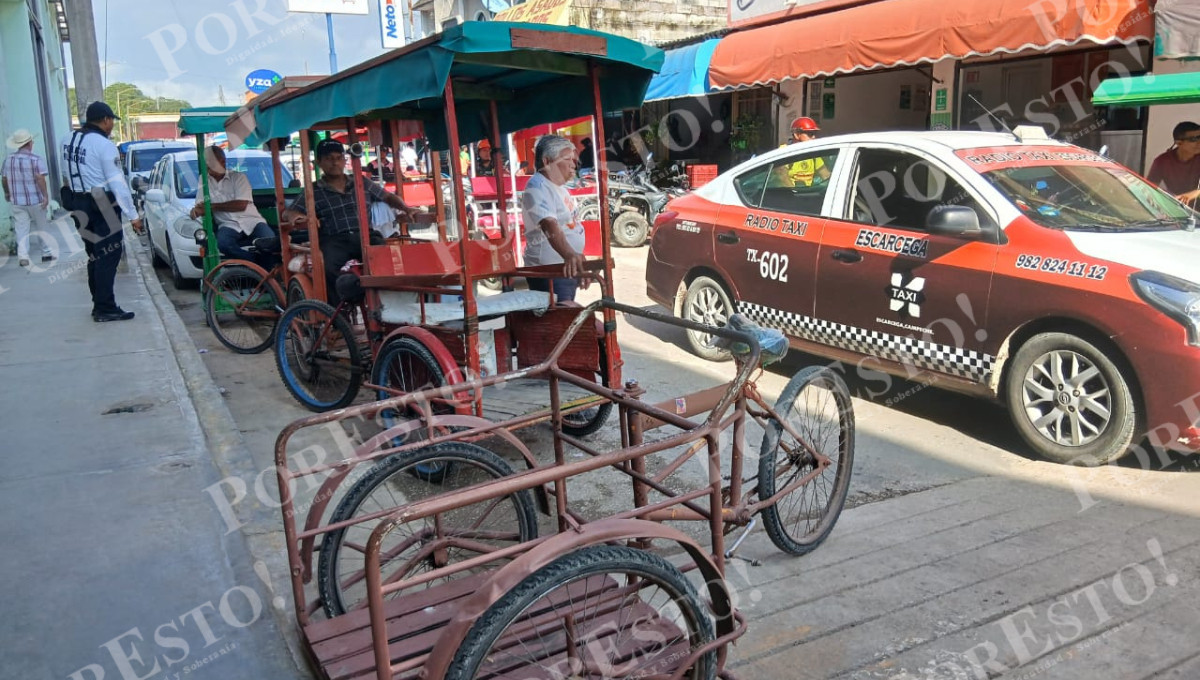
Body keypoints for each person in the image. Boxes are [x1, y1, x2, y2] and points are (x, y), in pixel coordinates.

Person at [280, 139, 418, 304]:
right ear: (319, 162)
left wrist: (407, 209)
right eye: (329, 158)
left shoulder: (361, 182)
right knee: (327, 268)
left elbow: (387, 197)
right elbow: (288, 212)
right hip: (334, 239)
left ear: (345, 160)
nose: (335, 162)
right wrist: (296, 216)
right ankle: (337, 313)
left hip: (365, 235)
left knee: (386, 261)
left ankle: (385, 306)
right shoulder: (313, 189)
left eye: (339, 158)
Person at [61, 101, 143, 322]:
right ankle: (105, 307)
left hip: (77, 201)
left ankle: (99, 304)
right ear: (106, 120)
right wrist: (133, 216)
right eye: (111, 122)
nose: (112, 126)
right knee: (108, 255)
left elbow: (66, 174)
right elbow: (118, 184)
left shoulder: (68, 140)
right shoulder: (104, 145)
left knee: (94, 255)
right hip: (101, 202)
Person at [520, 135, 586, 302]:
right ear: (547, 161)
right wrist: (570, 254)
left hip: (564, 267)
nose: (574, 164)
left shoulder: (559, 188)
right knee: (564, 321)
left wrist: (578, 257)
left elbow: (568, 226)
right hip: (550, 271)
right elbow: (549, 224)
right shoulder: (537, 186)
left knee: (567, 319)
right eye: (567, 158)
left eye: (574, 159)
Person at [187, 146, 275, 268]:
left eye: (210, 162)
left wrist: (211, 206)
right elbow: (200, 207)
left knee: (271, 241)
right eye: (205, 162)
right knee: (223, 244)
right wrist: (196, 211)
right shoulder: (204, 180)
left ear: (223, 161)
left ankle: (271, 278)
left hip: (252, 221)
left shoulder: (238, 177)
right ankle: (255, 264)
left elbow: (241, 205)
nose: (207, 166)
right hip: (228, 224)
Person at [2, 129, 55, 265]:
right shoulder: (36, 159)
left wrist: (7, 193)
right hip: (35, 200)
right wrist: (45, 196)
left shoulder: (8, 160)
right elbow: (40, 178)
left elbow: (4, 178)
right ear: (30, 143)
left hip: (17, 201)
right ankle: (46, 253)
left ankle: (23, 257)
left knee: (21, 228)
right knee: (41, 226)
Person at [1147, 121, 1200, 206]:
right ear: (1179, 143)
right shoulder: (1162, 161)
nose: (1199, 142)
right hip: (1176, 210)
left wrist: (1192, 194)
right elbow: (1149, 188)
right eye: (1193, 139)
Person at [774, 116, 832, 188]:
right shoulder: (785, 151)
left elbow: (825, 175)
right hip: (789, 195)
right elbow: (782, 175)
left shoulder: (812, 154)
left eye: (815, 134)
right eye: (810, 134)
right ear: (797, 135)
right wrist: (794, 193)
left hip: (806, 195)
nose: (814, 137)